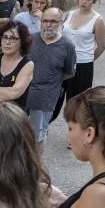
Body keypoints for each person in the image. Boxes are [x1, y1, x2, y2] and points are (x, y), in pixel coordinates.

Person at [54, 0, 105, 120]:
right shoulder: (70, 14)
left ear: (94, 1)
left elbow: (102, 46)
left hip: (82, 66)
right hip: (63, 63)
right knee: (55, 96)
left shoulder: (98, 20)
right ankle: (45, 125)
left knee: (77, 102)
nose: (84, 2)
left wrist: (88, 60)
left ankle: (77, 131)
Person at [26, 8, 76, 151]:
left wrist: (51, 81)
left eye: (53, 21)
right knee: (16, 132)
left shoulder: (67, 46)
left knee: (37, 136)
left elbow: (69, 72)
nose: (48, 25)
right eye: (45, 21)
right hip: (22, 93)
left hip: (45, 97)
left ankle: (34, 168)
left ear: (61, 23)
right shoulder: (29, 40)